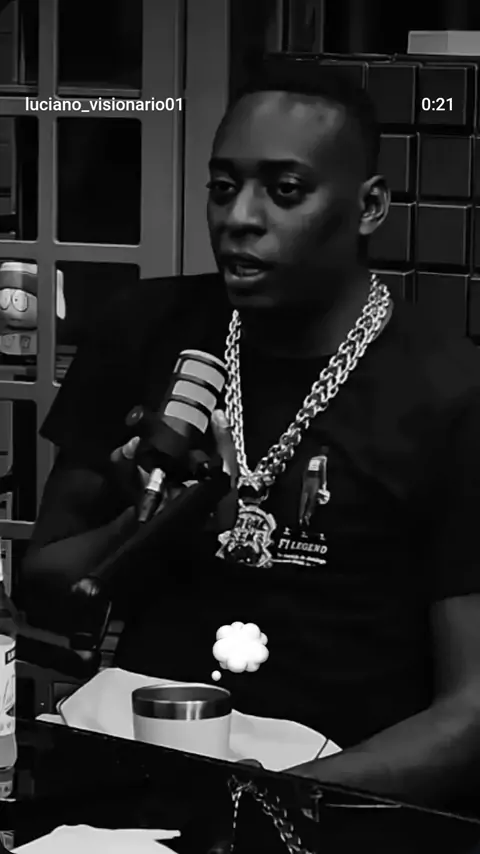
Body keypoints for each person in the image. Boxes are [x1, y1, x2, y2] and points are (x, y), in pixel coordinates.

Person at [21, 60, 480, 811]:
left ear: (369, 207)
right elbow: (44, 591)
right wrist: (149, 521)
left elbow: (469, 715)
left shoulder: (450, 392)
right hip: (135, 785)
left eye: (284, 190)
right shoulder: (144, 331)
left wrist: (262, 807)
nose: (239, 216)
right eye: (223, 186)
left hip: (335, 802)